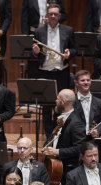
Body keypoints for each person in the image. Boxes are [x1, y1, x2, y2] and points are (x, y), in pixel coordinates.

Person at [31, 3, 76, 136]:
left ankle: (58, 135)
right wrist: (36, 52)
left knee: (61, 107)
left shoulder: (68, 30)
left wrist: (69, 53)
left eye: (55, 14)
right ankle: (48, 135)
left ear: (59, 16)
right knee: (46, 108)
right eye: (50, 14)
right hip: (45, 72)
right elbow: (33, 53)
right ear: (46, 15)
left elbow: (74, 49)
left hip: (61, 72)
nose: (53, 16)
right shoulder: (39, 31)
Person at [41, 89, 86, 184]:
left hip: (67, 169)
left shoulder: (76, 122)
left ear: (63, 102)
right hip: (54, 165)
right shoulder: (60, 117)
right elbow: (54, 136)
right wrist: (47, 146)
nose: (55, 101)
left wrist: (58, 151)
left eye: (57, 99)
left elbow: (79, 148)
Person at [73, 70, 101, 138]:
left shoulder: (100, 103)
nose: (86, 82)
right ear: (76, 83)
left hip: (91, 140)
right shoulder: (71, 101)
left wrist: (98, 131)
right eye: (82, 80)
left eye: (88, 80)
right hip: (74, 139)